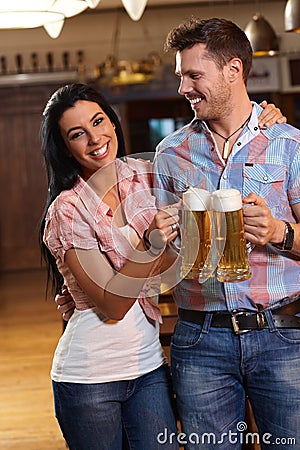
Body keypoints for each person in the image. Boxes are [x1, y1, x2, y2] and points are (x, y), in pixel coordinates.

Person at [152, 17, 300, 450]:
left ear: (233, 70)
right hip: (200, 339)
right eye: (181, 76)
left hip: (282, 335)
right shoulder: (170, 153)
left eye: (194, 75)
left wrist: (278, 231)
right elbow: (163, 264)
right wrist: (158, 239)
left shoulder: (288, 144)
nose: (183, 87)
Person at [39, 82, 182, 450]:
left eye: (99, 121)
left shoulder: (144, 176)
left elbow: (172, 262)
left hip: (149, 366)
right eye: (77, 134)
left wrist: (261, 122)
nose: (94, 138)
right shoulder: (67, 210)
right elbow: (113, 305)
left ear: (113, 123)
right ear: (66, 149)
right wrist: (150, 245)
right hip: (89, 378)